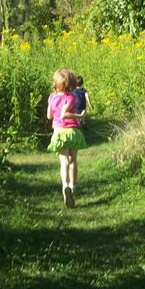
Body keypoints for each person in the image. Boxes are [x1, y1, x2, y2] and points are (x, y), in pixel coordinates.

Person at [46, 68, 88, 208]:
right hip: (72, 131)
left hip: (59, 131)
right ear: (71, 84)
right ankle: (73, 186)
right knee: (73, 160)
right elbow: (65, 114)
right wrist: (80, 116)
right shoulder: (71, 97)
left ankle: (65, 186)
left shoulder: (52, 97)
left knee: (63, 161)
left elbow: (49, 116)